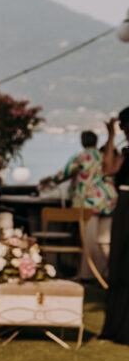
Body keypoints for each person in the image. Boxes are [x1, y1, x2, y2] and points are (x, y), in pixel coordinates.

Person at [39, 130, 116, 279]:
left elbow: (63, 174)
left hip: (89, 201)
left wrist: (48, 180)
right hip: (108, 201)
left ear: (82, 142)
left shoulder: (81, 157)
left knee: (89, 240)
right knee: (103, 242)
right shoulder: (103, 156)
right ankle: (103, 273)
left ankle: (88, 274)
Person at [101, 108, 129, 344]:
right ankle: (116, 325)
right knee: (119, 261)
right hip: (124, 207)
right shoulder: (125, 153)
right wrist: (110, 138)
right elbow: (108, 170)